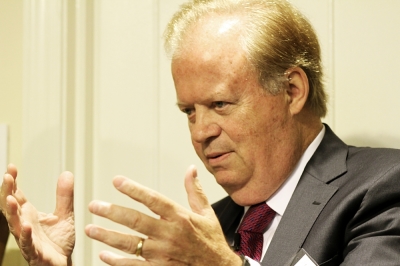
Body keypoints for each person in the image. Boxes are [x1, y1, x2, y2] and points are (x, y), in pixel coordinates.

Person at [1, 0, 400, 265]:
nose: (201, 131)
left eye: (220, 104)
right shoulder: (210, 228)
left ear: (292, 91)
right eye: (188, 111)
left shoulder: (384, 187)